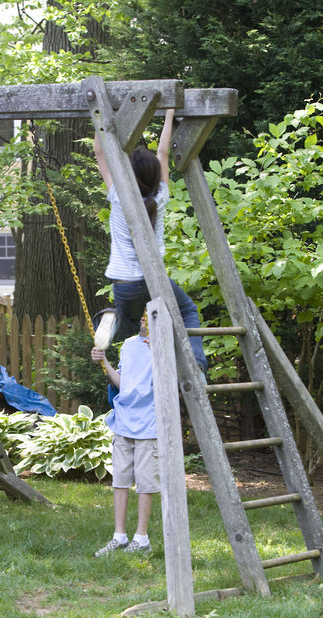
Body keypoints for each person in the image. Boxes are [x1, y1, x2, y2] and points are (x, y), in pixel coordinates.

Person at [94, 109, 208, 372]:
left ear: (128, 174)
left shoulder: (118, 195)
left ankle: (111, 319)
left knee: (132, 323)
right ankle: (197, 365)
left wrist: (100, 114)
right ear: (155, 175)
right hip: (153, 280)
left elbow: (100, 152)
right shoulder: (161, 196)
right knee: (188, 311)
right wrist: (168, 115)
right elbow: (163, 154)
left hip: (123, 284)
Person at [91, 314, 159, 555]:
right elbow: (124, 384)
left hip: (149, 424)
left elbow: (173, 381)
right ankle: (119, 536)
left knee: (145, 482)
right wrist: (104, 362)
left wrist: (160, 353)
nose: (143, 319)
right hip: (124, 421)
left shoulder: (164, 345)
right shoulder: (129, 345)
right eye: (139, 315)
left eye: (148, 315)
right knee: (120, 479)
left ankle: (141, 538)